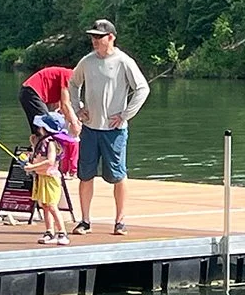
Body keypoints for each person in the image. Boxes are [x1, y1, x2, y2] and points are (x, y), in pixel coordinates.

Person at [68, 19, 150, 236]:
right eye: (93, 37)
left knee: (118, 175)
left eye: (99, 37)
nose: (95, 41)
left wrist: (125, 115)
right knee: (85, 175)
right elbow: (73, 84)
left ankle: (120, 221)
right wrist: (78, 108)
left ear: (111, 37)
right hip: (90, 128)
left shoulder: (124, 61)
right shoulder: (87, 62)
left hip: (114, 131)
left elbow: (142, 89)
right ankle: (84, 221)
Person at [25, 111, 70, 246]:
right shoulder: (42, 142)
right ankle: (49, 231)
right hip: (42, 177)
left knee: (51, 205)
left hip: (50, 178)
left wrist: (33, 167)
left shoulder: (51, 143)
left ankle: (62, 232)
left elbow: (50, 161)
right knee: (44, 205)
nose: (38, 128)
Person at [19, 65, 81, 139]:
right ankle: (44, 147)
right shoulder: (70, 75)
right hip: (32, 92)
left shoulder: (66, 77)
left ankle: (37, 146)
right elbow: (65, 105)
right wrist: (74, 124)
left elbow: (61, 107)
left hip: (28, 92)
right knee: (46, 127)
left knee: (40, 129)